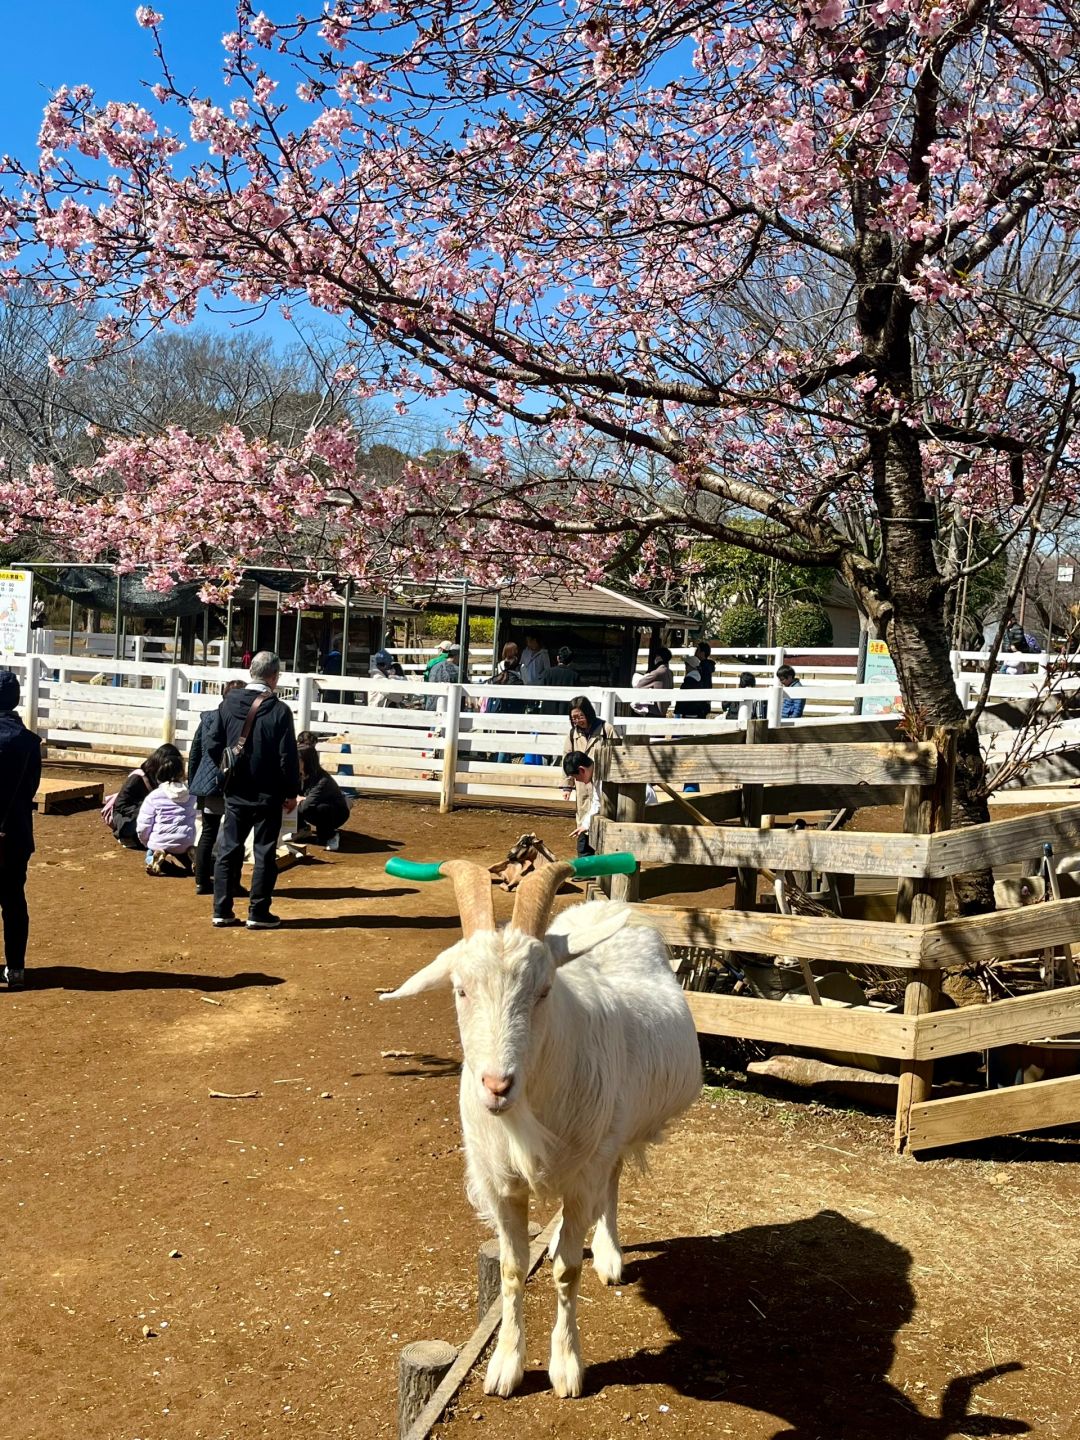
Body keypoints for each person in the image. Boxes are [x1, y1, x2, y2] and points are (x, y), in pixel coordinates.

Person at [206, 651, 301, 930]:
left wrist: (226, 768)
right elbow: (288, 756)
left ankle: (221, 909)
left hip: (235, 788)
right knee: (264, 852)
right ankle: (258, 911)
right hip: (268, 791)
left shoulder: (228, 702)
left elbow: (213, 743)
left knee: (228, 848)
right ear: (274, 676)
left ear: (250, 672)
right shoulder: (279, 710)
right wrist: (291, 791)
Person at [0, 669, 42, 990]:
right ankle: (16, 968)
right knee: (13, 898)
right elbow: (31, 788)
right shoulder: (29, 742)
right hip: (14, 832)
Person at [188, 678, 245, 895]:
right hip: (234, 783)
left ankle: (202, 882)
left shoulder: (208, 718)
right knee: (235, 834)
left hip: (208, 782)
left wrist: (194, 782)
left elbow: (195, 752)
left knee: (208, 832)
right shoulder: (243, 720)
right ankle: (232, 883)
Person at [136, 745, 197, 875]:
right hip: (185, 841)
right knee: (182, 850)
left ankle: (153, 859)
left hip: (160, 840)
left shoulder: (154, 796)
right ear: (182, 773)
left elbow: (143, 825)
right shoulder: (192, 795)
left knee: (150, 852)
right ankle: (192, 858)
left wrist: (148, 843)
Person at [109, 744, 172, 848]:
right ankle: (126, 836)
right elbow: (120, 806)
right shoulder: (137, 778)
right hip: (128, 819)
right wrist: (144, 809)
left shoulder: (162, 778)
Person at [294, 743, 351, 849]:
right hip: (311, 807)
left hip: (335, 813)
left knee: (319, 808)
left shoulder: (322, 780)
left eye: (297, 760)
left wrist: (299, 799)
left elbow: (306, 806)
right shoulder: (297, 775)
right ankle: (302, 829)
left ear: (306, 761)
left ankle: (331, 835)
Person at [563, 750, 601, 857]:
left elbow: (599, 803)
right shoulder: (597, 774)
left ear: (582, 770)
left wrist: (585, 824)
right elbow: (597, 802)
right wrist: (585, 825)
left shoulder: (601, 776)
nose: (577, 781)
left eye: (576, 777)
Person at [633, 646, 674, 717]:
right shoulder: (669, 672)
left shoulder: (657, 673)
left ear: (659, 657)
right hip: (664, 709)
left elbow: (639, 685)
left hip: (655, 710)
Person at [424, 643, 461, 711]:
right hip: (449, 707)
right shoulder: (458, 671)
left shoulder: (435, 666)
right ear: (458, 656)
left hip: (431, 705)